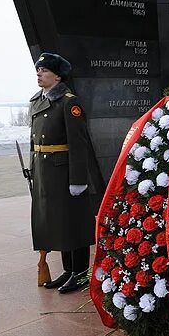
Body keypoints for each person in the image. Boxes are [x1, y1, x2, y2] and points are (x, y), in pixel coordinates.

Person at [30, 53, 102, 294]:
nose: (39, 74)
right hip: (46, 173)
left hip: (64, 173)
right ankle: (68, 270)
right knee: (58, 222)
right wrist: (34, 172)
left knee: (73, 223)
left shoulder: (69, 102)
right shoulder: (37, 101)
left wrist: (78, 180)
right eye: (38, 70)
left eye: (44, 71)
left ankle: (80, 273)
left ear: (57, 76)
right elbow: (35, 143)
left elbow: (79, 143)